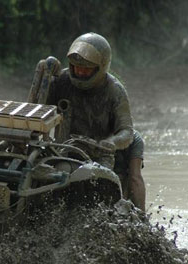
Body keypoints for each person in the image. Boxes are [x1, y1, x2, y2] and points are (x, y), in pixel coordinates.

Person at [45, 32, 146, 211]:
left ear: (101, 67)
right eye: (76, 67)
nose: (80, 71)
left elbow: (126, 131)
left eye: (86, 69)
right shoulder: (61, 81)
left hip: (101, 153)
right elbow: (39, 112)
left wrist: (112, 142)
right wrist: (45, 81)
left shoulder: (115, 91)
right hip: (66, 149)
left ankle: (141, 216)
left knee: (109, 186)